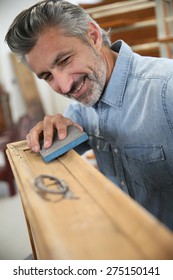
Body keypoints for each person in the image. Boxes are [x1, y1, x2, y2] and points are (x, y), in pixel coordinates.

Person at [5, 0, 173, 230]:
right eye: (47, 76)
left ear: (93, 37)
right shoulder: (82, 102)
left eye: (64, 60)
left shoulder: (167, 87)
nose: (64, 87)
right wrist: (49, 134)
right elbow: (51, 161)